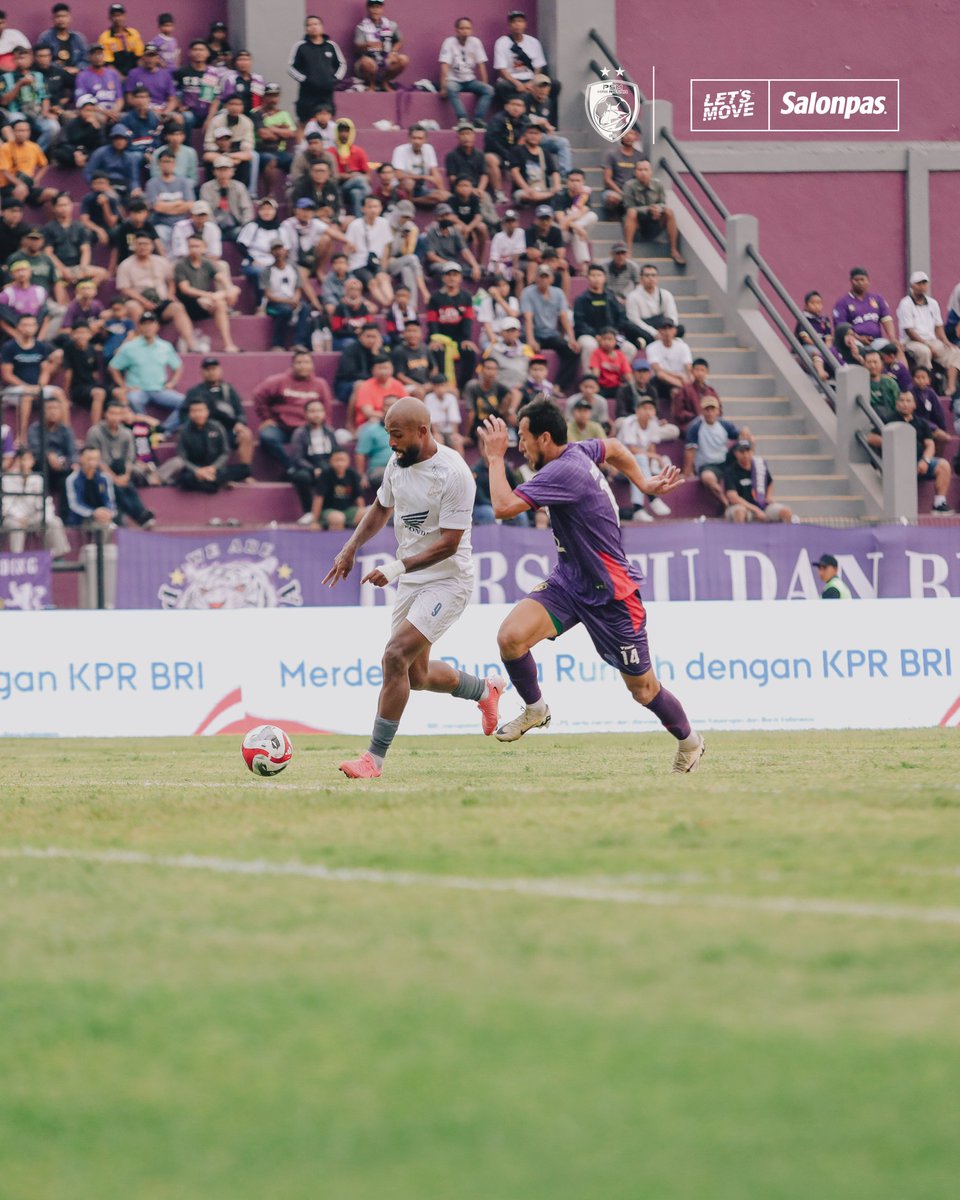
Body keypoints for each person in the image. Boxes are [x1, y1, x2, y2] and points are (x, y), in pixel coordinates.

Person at [478, 400, 703, 770]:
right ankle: (536, 709)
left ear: (544, 438)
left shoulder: (563, 472)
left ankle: (691, 742)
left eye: (523, 438)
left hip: (613, 596)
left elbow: (502, 506)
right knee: (510, 638)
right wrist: (643, 483)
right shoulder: (580, 450)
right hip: (569, 582)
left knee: (643, 690)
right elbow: (613, 447)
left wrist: (494, 457)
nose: (519, 445)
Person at [326, 397, 501, 779]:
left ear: (423, 431)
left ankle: (373, 760)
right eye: (389, 434)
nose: (391, 443)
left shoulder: (453, 473)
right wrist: (350, 547)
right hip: (412, 580)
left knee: (393, 656)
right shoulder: (397, 463)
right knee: (415, 676)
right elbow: (380, 507)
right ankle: (485, 691)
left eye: (397, 435)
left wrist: (395, 566)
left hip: (448, 580)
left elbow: (451, 542)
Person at [115, 232, 200, 351]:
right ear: (134, 246)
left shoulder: (161, 261)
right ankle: (141, 344)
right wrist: (143, 301)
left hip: (161, 301)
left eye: (146, 244)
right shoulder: (125, 265)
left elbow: (170, 281)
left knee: (177, 307)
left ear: (152, 246)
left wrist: (170, 294)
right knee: (132, 306)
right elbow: (125, 289)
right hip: (139, 301)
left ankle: (191, 343)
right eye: (139, 244)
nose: (143, 247)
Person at [252, 349, 332, 471]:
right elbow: (258, 395)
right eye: (299, 362)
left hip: (307, 428)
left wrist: (324, 427)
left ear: (312, 365)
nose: (302, 366)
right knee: (267, 436)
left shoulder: (320, 384)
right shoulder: (278, 381)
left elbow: (326, 408)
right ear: (292, 365)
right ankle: (290, 466)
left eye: (306, 362)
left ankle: (312, 471)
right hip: (282, 427)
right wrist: (266, 417)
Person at [108, 311, 184, 431]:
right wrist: (123, 386)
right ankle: (148, 430)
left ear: (157, 326)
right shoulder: (130, 347)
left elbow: (178, 366)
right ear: (140, 327)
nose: (148, 327)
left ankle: (164, 430)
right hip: (138, 390)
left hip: (159, 390)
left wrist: (172, 383)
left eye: (151, 323)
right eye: (144, 324)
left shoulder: (165, 346)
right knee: (133, 400)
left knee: (185, 402)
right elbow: (113, 367)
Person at [85, 398, 155, 526]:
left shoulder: (127, 433)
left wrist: (125, 476)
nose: (115, 417)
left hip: (121, 471)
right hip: (99, 471)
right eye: (112, 413)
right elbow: (95, 460)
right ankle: (140, 515)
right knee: (113, 484)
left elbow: (130, 459)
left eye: (119, 414)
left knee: (128, 483)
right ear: (105, 414)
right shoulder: (94, 432)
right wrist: (114, 478)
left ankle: (140, 514)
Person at [885, 390, 953, 515]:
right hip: (896, 465)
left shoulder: (921, 423)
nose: (905, 404)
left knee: (943, 465)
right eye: (902, 400)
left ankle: (939, 504)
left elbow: (930, 444)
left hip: (918, 463)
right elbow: (871, 438)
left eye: (908, 401)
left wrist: (925, 460)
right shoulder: (888, 420)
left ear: (914, 405)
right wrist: (892, 439)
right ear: (897, 404)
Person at [182, 356, 252, 472]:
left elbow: (240, 412)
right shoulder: (194, 392)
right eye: (207, 370)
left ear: (220, 370)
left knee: (245, 434)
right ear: (202, 372)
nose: (211, 372)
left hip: (227, 430)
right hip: (205, 431)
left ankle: (245, 472)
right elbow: (184, 414)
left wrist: (240, 423)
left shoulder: (228, 390)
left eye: (214, 369)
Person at [896, 270, 960, 396]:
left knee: (956, 352)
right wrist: (926, 344)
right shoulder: (905, 303)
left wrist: (946, 341)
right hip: (911, 342)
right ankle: (926, 387)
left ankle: (950, 386)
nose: (922, 286)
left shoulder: (933, 303)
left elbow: (939, 326)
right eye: (919, 283)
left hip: (932, 340)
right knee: (924, 351)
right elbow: (909, 331)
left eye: (924, 283)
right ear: (912, 286)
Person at [174, 233, 241, 354]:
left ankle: (228, 344)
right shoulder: (181, 265)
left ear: (204, 247)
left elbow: (220, 276)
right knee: (216, 299)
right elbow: (185, 289)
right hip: (188, 303)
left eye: (197, 246)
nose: (194, 249)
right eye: (191, 246)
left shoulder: (206, 263)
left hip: (207, 302)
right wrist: (207, 295)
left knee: (221, 303)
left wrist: (229, 288)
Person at [1, 313, 65, 439]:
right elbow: (7, 375)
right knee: (26, 396)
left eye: (32, 325)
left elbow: (45, 371)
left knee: (59, 393)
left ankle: (65, 434)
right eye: (25, 325)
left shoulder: (40, 346)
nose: (29, 328)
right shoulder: (9, 347)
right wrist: (27, 387)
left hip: (36, 387)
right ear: (18, 327)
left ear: (36, 327)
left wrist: (40, 386)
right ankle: (22, 436)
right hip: (13, 390)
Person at [615, 396, 678, 521]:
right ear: (637, 411)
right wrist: (654, 457)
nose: (648, 411)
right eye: (644, 408)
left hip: (638, 464)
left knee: (648, 461)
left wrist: (652, 461)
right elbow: (632, 450)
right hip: (620, 463)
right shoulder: (629, 422)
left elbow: (651, 447)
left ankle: (638, 509)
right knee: (641, 459)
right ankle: (652, 498)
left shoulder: (653, 423)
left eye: (651, 408)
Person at [519, 265, 579, 391]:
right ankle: (527, 388)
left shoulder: (558, 293)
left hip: (552, 334)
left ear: (551, 279)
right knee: (526, 351)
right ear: (536, 278)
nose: (543, 280)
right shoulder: (527, 292)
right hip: (534, 333)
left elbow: (564, 317)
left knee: (572, 352)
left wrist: (571, 339)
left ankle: (559, 386)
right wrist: (531, 340)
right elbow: (528, 319)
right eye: (541, 276)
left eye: (546, 277)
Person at [0, 447, 70, 556]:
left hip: (32, 517)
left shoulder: (38, 479)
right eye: (23, 459)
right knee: (16, 526)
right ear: (17, 460)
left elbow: (46, 503)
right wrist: (19, 518)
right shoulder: (8, 478)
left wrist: (45, 517)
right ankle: (17, 557)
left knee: (55, 522)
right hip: (13, 518)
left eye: (28, 459)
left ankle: (56, 556)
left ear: (32, 461)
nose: (25, 462)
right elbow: (6, 505)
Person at [492, 11, 558, 119]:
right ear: (509, 25)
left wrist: (532, 82)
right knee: (501, 86)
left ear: (525, 24)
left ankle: (550, 118)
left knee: (555, 84)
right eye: (514, 22)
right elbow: (502, 69)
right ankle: (521, 116)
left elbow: (538, 67)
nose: (517, 24)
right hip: (512, 80)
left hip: (531, 79)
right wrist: (517, 83)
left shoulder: (533, 42)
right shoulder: (502, 42)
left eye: (520, 21)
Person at [174, 397, 249, 492]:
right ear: (190, 413)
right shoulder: (183, 431)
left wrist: (213, 467)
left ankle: (212, 482)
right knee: (185, 479)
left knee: (246, 470)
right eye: (194, 411)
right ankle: (217, 482)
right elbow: (182, 457)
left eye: (201, 410)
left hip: (215, 469)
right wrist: (197, 471)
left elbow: (225, 452)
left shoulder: (217, 427)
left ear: (207, 412)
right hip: (195, 471)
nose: (198, 414)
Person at [572, 262, 638, 371]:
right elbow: (579, 322)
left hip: (611, 335)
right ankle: (590, 379)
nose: (596, 279)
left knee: (630, 349)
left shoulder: (611, 297)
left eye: (599, 275)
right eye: (593, 275)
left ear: (604, 278)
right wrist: (596, 335)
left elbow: (622, 317)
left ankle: (615, 376)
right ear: (588, 278)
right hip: (589, 335)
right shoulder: (581, 299)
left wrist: (612, 334)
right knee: (590, 346)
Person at [621, 159, 685, 266]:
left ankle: (674, 250)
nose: (643, 173)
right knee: (631, 212)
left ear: (650, 172)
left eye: (646, 170)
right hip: (638, 224)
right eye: (640, 170)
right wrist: (648, 209)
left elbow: (663, 203)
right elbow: (628, 207)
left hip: (655, 221)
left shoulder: (658, 184)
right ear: (635, 172)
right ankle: (628, 250)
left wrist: (657, 209)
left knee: (669, 212)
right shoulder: (629, 186)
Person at [682, 395, 740, 507]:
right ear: (702, 411)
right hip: (707, 465)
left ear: (718, 411)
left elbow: (740, 436)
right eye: (707, 410)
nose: (710, 413)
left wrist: (746, 434)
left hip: (725, 461)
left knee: (743, 445)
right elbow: (690, 451)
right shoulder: (695, 427)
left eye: (712, 409)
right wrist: (687, 472)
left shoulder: (724, 424)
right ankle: (724, 501)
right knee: (707, 478)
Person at [1, 45, 60, 152]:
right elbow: (4, 101)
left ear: (31, 59)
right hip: (16, 112)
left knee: (53, 127)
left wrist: (45, 113)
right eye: (18, 58)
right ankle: (20, 155)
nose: (21, 61)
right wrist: (19, 84)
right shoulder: (5, 77)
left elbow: (45, 97)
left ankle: (35, 153)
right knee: (20, 127)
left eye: (24, 58)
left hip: (36, 113)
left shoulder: (38, 76)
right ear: (14, 60)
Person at [427, 262, 478, 385]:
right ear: (443, 278)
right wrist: (435, 339)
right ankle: (443, 385)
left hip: (459, 338)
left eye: (455, 275)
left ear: (460, 278)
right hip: (441, 338)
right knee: (438, 351)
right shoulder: (435, 298)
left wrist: (467, 339)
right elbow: (432, 321)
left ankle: (461, 387)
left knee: (470, 353)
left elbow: (467, 320)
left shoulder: (466, 297)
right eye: (448, 275)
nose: (452, 278)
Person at [288, 15, 346, 121]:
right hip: (307, 93)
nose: (313, 27)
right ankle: (301, 138)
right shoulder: (300, 46)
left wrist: (334, 79)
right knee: (304, 122)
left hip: (326, 93)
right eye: (309, 25)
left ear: (322, 27)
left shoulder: (331, 46)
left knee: (327, 121)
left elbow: (342, 64)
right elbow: (291, 67)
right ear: (306, 29)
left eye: (315, 24)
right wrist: (305, 80)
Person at [289, 397, 338, 521]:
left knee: (336, 472)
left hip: (326, 463)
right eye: (312, 411)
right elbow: (297, 458)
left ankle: (332, 510)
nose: (316, 414)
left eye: (319, 411)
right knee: (302, 477)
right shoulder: (299, 433)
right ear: (305, 414)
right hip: (308, 465)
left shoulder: (329, 432)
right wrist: (313, 469)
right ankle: (309, 512)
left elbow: (336, 453)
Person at [438, 18, 493, 127]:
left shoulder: (475, 42)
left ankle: (478, 119)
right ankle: (462, 119)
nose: (465, 31)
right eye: (462, 28)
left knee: (489, 90)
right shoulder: (449, 42)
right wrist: (443, 86)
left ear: (471, 30)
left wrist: (484, 83)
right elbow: (444, 65)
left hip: (470, 80)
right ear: (456, 30)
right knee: (451, 88)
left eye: (468, 28)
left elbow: (481, 65)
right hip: (453, 79)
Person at [723, 438, 793, 524]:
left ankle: (787, 535)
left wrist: (768, 496)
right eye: (742, 451)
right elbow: (733, 498)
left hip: (762, 505)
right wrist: (755, 510)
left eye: (748, 451)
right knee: (739, 512)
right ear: (736, 453)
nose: (745, 454)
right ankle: (740, 536)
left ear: (752, 451)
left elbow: (770, 482)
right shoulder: (730, 471)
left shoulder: (759, 467)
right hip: (742, 506)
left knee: (786, 511)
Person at [345, 193, 394, 308]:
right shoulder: (355, 225)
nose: (373, 210)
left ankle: (391, 302)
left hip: (375, 261)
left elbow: (386, 247)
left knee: (383, 277)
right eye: (370, 207)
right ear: (363, 209)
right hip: (358, 263)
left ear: (381, 208)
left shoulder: (384, 223)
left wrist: (384, 267)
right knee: (372, 283)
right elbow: (347, 247)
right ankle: (387, 305)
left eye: (376, 206)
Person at [832, 267, 897, 350]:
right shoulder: (842, 302)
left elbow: (886, 319)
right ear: (851, 281)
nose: (859, 283)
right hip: (854, 341)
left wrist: (892, 337)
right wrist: (858, 338)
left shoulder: (877, 299)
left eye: (862, 280)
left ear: (868, 281)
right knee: (856, 347)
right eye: (856, 280)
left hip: (876, 340)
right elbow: (841, 327)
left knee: (892, 348)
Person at [25, 391, 74, 502]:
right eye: (49, 408)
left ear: (61, 411)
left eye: (56, 408)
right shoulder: (35, 429)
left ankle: (66, 517)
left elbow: (72, 455)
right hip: (41, 466)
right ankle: (41, 508)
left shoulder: (66, 431)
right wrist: (49, 455)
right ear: (43, 411)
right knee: (41, 465)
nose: (53, 412)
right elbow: (34, 449)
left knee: (70, 477)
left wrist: (61, 461)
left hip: (61, 468)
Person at [0, 117, 57, 209]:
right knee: (20, 190)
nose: (23, 133)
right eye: (20, 130)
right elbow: (5, 171)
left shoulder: (34, 147)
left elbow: (44, 165)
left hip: (27, 185)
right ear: (13, 132)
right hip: (8, 186)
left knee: (53, 194)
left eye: (26, 130)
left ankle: (53, 223)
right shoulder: (5, 148)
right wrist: (19, 184)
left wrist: (36, 179)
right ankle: (16, 222)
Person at [144, 147, 194, 248]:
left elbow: (189, 205)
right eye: (164, 162)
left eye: (170, 162)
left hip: (182, 223)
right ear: (159, 163)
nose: (167, 165)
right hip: (161, 223)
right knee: (159, 233)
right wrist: (178, 203)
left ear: (174, 164)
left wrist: (165, 207)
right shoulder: (152, 184)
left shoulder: (183, 182)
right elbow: (157, 207)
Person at [354, 0, 408, 92]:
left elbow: (400, 40)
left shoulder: (391, 25)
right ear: (368, 8)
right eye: (372, 7)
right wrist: (368, 45)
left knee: (404, 59)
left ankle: (385, 82)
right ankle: (372, 84)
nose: (375, 10)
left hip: (386, 58)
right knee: (365, 62)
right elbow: (358, 45)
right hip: (370, 59)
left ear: (382, 8)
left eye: (378, 7)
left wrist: (393, 52)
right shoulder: (361, 27)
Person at [61, 320, 108, 425]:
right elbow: (68, 373)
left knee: (116, 393)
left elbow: (94, 373)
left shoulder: (92, 349)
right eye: (79, 332)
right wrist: (66, 395)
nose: (82, 335)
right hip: (77, 389)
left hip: (91, 386)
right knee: (99, 393)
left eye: (85, 332)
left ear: (90, 334)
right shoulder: (69, 347)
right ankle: (95, 431)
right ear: (72, 334)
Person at [483, 93, 527, 203]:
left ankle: (528, 190)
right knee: (490, 159)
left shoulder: (525, 121)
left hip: (516, 153)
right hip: (499, 152)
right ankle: (499, 193)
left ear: (524, 109)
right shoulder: (498, 119)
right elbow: (491, 140)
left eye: (520, 105)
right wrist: (507, 156)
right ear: (506, 106)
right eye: (513, 104)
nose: (516, 108)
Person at [392, 124, 449, 208]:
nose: (417, 141)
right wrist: (423, 177)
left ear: (425, 140)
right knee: (409, 183)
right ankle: (408, 205)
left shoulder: (429, 149)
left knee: (445, 196)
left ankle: (413, 201)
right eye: (414, 138)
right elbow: (399, 175)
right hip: (402, 188)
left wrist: (441, 191)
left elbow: (435, 173)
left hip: (420, 189)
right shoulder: (400, 150)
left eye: (420, 138)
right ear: (409, 138)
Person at [346, 353, 406, 434]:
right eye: (380, 368)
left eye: (386, 368)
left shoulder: (397, 385)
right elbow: (368, 413)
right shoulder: (366, 386)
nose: (384, 371)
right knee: (374, 421)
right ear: (372, 370)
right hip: (369, 423)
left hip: (394, 422)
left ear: (392, 369)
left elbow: (407, 407)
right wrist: (390, 417)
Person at [200, 154, 253, 243]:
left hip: (236, 225)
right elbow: (206, 211)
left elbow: (247, 209)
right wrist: (214, 228)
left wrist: (245, 226)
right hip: (214, 225)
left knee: (243, 235)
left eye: (226, 169)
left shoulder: (239, 187)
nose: (223, 172)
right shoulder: (206, 188)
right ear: (214, 171)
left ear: (232, 171)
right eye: (220, 170)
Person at [463, 354, 517, 441]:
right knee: (484, 434)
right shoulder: (472, 386)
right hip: (478, 424)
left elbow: (514, 393)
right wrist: (466, 435)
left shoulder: (500, 387)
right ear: (481, 369)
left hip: (496, 422)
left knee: (513, 416)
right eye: (488, 368)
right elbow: (471, 414)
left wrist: (509, 411)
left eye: (494, 369)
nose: (491, 372)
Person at [310, 447, 366, 529]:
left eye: (342, 460)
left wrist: (363, 517)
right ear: (330, 461)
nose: (339, 463)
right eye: (336, 460)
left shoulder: (352, 474)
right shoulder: (326, 474)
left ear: (348, 461)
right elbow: (318, 498)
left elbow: (359, 497)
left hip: (347, 510)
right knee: (338, 519)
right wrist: (314, 521)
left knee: (367, 514)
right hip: (329, 511)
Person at [423, 202, 481, 281]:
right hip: (440, 263)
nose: (445, 218)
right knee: (439, 268)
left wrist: (475, 266)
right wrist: (450, 264)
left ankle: (460, 272)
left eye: (447, 215)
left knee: (480, 269)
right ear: (436, 217)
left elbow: (465, 251)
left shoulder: (454, 231)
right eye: (442, 216)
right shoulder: (431, 233)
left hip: (454, 262)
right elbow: (431, 256)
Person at [64, 443, 116, 529]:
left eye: (96, 459)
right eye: (89, 459)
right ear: (81, 459)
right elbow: (74, 504)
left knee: (110, 526)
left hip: (102, 518)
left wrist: (108, 512)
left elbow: (110, 500)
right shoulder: (72, 479)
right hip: (82, 519)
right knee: (100, 526)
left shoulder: (104, 478)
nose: (92, 463)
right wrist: (93, 513)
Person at [645, 319, 693, 409]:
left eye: (670, 328)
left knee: (693, 377)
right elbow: (657, 369)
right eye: (664, 329)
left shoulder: (683, 346)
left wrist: (687, 377)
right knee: (660, 375)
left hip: (680, 380)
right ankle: (686, 388)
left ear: (674, 331)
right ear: (659, 331)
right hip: (661, 382)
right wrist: (679, 376)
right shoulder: (651, 347)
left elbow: (688, 367)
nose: (667, 332)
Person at [330, 117, 372, 218]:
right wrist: (352, 176)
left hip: (355, 188)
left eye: (346, 131)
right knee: (358, 178)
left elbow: (368, 177)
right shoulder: (331, 151)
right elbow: (333, 176)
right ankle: (369, 195)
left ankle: (359, 220)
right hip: (339, 189)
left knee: (356, 193)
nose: (344, 134)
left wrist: (358, 178)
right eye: (341, 131)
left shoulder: (359, 151)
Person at [509, 124, 560, 208]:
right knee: (527, 195)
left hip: (542, 189)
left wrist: (556, 186)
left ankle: (546, 196)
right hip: (523, 190)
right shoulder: (517, 150)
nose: (533, 136)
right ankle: (548, 196)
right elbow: (515, 172)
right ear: (525, 135)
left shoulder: (545, 152)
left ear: (540, 136)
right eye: (531, 133)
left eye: (536, 133)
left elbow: (554, 172)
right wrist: (526, 188)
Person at [38, 5, 90, 79]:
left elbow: (86, 59)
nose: (61, 19)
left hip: (75, 75)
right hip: (53, 76)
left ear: (70, 18)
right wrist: (60, 69)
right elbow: (41, 59)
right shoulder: (46, 38)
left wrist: (77, 68)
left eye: (64, 16)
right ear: (53, 19)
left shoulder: (78, 38)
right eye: (58, 16)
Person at [794, 289, 833, 381]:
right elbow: (805, 338)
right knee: (815, 352)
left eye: (819, 303)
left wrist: (827, 348)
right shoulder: (803, 318)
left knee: (833, 352)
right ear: (806, 306)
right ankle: (821, 372)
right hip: (808, 346)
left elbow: (828, 338)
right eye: (813, 303)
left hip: (823, 347)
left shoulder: (824, 319)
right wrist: (820, 346)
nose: (817, 306)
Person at [671, 357, 718, 433]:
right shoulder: (685, 390)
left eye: (702, 370)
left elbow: (719, 411)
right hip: (691, 424)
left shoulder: (711, 391)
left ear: (707, 372)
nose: (700, 373)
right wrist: (696, 417)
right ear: (692, 371)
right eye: (697, 370)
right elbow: (679, 412)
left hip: (709, 423)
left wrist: (709, 416)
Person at [602, 128, 642, 217]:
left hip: (633, 192)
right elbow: (607, 179)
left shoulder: (640, 156)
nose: (629, 136)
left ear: (636, 137)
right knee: (612, 198)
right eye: (626, 133)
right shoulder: (611, 154)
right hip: (615, 191)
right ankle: (614, 216)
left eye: (632, 133)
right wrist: (621, 193)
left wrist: (630, 194)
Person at [424, 373, 465, 455]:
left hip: (450, 431)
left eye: (443, 385)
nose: (440, 389)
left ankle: (462, 466)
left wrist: (455, 433)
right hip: (435, 431)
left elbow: (454, 417)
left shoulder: (451, 398)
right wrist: (436, 433)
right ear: (433, 387)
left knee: (457, 442)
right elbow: (432, 419)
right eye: (437, 386)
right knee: (438, 442)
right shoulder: (429, 398)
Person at [98, 4, 144, 75]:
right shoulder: (104, 37)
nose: (117, 18)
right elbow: (108, 64)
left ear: (124, 16)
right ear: (110, 18)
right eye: (114, 16)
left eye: (120, 15)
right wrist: (120, 78)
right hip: (116, 75)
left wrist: (137, 75)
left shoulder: (134, 33)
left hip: (134, 73)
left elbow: (139, 58)